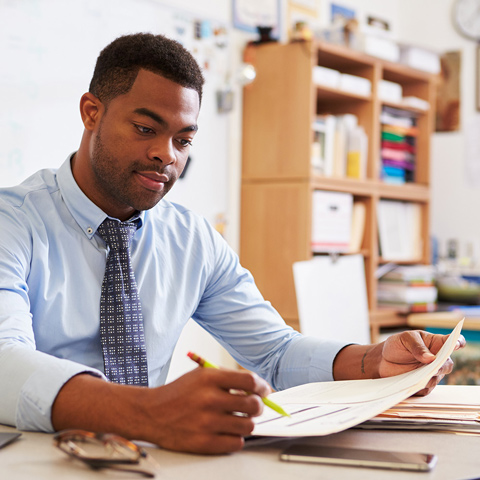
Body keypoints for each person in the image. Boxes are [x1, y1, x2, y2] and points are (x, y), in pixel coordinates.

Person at [0, 33, 465, 455]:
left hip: (146, 458)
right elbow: (4, 362)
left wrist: (371, 360)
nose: (167, 155)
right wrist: (148, 412)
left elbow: (276, 352)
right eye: (146, 129)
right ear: (91, 112)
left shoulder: (192, 239)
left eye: (183, 140)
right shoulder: (13, 222)